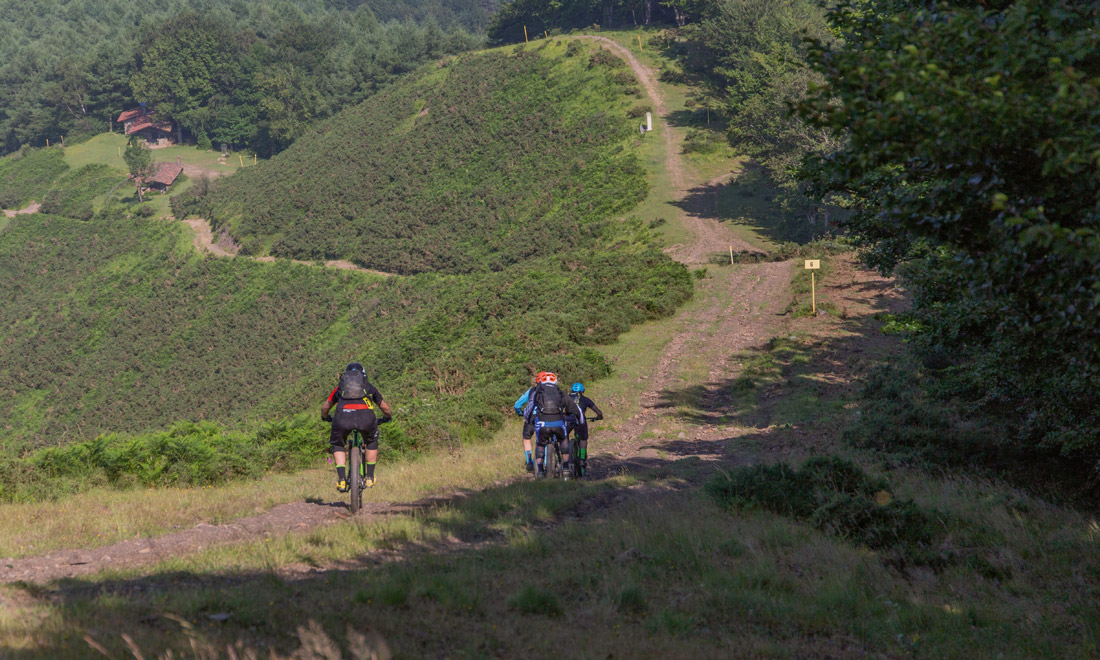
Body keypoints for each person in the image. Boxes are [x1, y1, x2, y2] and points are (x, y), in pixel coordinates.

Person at [321, 362, 392, 492]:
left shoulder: (340, 388)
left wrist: (325, 417)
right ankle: (369, 477)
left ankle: (342, 480)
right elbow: (384, 407)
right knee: (371, 441)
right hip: (366, 419)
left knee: (337, 444)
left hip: (342, 418)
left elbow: (326, 406)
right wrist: (387, 417)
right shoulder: (369, 387)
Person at [522, 372, 582, 480]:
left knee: (540, 444)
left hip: (542, 423)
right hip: (558, 422)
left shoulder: (537, 392)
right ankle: (566, 469)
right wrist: (578, 419)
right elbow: (572, 407)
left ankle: (540, 471)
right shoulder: (560, 392)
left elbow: (529, 409)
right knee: (563, 441)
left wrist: (528, 419)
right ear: (555, 382)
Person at [565, 383, 604, 477]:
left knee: (563, 437)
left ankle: (565, 456)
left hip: (567, 421)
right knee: (583, 439)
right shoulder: (585, 399)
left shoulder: (566, 398)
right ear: (582, 391)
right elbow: (598, 412)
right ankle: (582, 459)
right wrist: (599, 417)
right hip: (580, 421)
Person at [513, 372, 546, 473]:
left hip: (531, 418)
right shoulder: (554, 391)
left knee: (527, 438)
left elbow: (517, 405)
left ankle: (529, 462)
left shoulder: (532, 390)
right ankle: (545, 463)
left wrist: (520, 413)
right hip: (546, 418)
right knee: (547, 438)